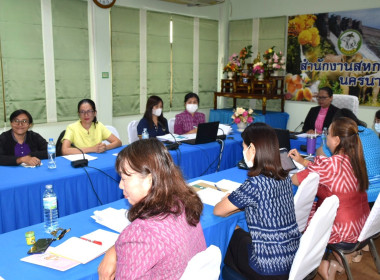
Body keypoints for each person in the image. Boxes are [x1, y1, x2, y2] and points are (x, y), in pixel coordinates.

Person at [98, 138, 206, 279]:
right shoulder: (183, 203)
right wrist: (115, 249)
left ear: (149, 180)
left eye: (124, 179)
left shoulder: (141, 233)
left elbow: (142, 238)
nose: (120, 185)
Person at [214, 123, 301, 279]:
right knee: (240, 232)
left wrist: (229, 200)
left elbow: (218, 210)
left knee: (228, 233)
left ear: (252, 149)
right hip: (292, 257)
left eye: (244, 147)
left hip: (267, 268)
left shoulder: (255, 184)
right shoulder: (284, 176)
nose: (243, 152)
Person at [289, 117, 370, 280]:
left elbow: (295, 180)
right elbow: (324, 171)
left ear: (337, 140)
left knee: (296, 222)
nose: (326, 138)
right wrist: (303, 161)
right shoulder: (355, 159)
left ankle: (320, 265)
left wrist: (297, 166)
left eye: (328, 134)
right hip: (362, 225)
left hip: (343, 231)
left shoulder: (331, 165)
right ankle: (336, 263)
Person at [316, 108, 380, 178]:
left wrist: (326, 143)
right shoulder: (371, 132)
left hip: (360, 186)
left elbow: (320, 155)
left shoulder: (343, 136)